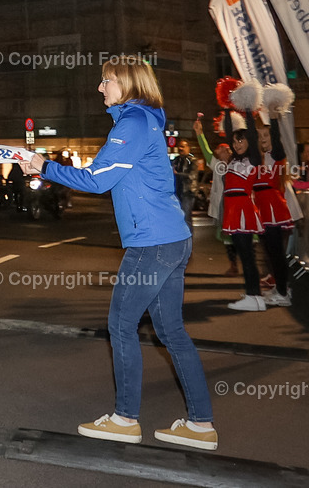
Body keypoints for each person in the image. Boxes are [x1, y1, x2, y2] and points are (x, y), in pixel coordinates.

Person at [23, 56, 216, 451]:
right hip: (173, 239)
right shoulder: (146, 121)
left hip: (152, 244)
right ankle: (200, 425)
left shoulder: (132, 124)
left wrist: (45, 166)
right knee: (172, 332)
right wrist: (44, 168)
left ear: (127, 84)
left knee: (121, 325)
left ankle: (125, 419)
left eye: (106, 81)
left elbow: (96, 179)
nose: (100, 88)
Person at [220, 109, 267, 311]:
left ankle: (254, 296)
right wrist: (226, 108)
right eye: (235, 141)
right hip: (233, 209)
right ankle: (254, 294)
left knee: (247, 256)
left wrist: (247, 108)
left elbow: (251, 133)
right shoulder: (234, 161)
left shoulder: (254, 159)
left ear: (250, 141)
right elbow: (229, 132)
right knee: (244, 254)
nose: (237, 144)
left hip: (243, 210)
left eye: (241, 140)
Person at [253, 117, 294, 306]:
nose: (262, 139)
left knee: (277, 253)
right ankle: (280, 288)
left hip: (274, 212)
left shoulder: (277, 155)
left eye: (266, 135)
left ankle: (284, 293)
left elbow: (276, 138)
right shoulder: (259, 159)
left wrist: (274, 114)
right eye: (259, 135)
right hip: (262, 212)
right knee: (271, 253)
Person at [193, 118, 238, 275]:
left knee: (242, 235)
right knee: (227, 236)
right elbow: (206, 151)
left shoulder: (238, 164)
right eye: (218, 150)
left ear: (228, 151)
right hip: (224, 206)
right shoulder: (217, 165)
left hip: (238, 204)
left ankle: (243, 262)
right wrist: (200, 133)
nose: (217, 151)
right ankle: (233, 264)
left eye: (221, 149)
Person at [173, 139, 197, 232]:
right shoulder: (177, 160)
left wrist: (177, 174)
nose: (180, 148)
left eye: (183, 146)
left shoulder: (192, 160)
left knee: (186, 215)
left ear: (188, 148)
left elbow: (192, 175)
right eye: (179, 146)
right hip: (177, 192)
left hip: (188, 192)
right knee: (177, 216)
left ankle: (188, 236)